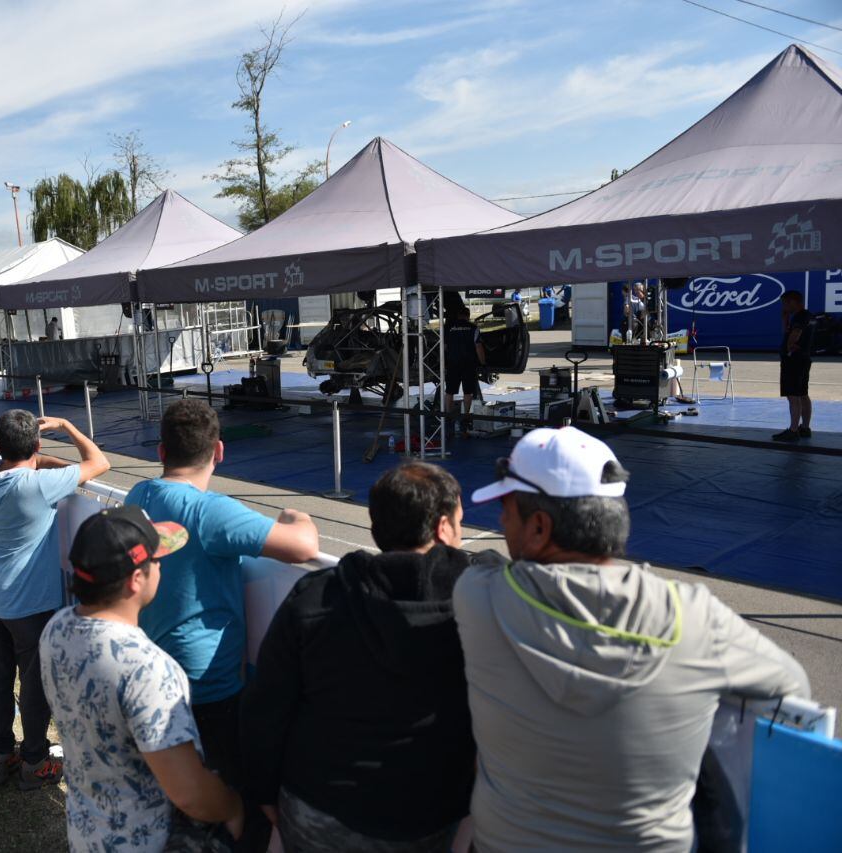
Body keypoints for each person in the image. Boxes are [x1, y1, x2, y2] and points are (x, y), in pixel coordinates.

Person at [454, 426, 810, 851]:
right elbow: (792, 688)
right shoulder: (693, 617)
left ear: (539, 527)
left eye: (507, 509)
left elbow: (487, 568)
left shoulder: (479, 597)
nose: (500, 519)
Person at [241, 461, 476, 851]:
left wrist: (262, 790)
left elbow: (266, 706)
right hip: (426, 816)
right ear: (444, 528)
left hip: (319, 808)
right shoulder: (473, 605)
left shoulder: (317, 596)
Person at [126, 398, 319, 840]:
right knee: (226, 802)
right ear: (218, 451)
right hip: (209, 685)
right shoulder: (210, 512)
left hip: (155, 672)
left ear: (160, 452)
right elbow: (303, 546)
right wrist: (297, 514)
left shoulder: (140, 495)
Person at [42, 506, 246, 850]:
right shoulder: (147, 669)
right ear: (136, 579)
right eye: (156, 559)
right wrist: (232, 805)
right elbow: (190, 794)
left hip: (86, 833)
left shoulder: (57, 628)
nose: (161, 566)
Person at [0, 410, 109, 790]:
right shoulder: (36, 486)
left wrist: (32, 457)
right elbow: (98, 463)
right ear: (35, 447)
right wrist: (66, 427)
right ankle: (34, 761)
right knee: (34, 686)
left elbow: (22, 462)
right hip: (29, 603)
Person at [774, 289, 814, 442]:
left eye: (785, 304)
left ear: (792, 302)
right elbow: (789, 331)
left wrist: (790, 346)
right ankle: (805, 427)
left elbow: (795, 334)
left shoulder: (800, 317)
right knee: (802, 393)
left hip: (794, 361)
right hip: (804, 359)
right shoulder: (809, 316)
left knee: (793, 396)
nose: (784, 307)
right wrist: (785, 319)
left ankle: (793, 430)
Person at [443, 305, 486, 435]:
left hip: (452, 363)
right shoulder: (474, 328)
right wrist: (483, 362)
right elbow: (478, 346)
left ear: (458, 315)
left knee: (450, 391)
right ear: (467, 316)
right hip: (469, 364)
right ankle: (466, 416)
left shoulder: (448, 328)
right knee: (468, 392)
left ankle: (448, 416)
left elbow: (444, 347)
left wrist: (444, 362)